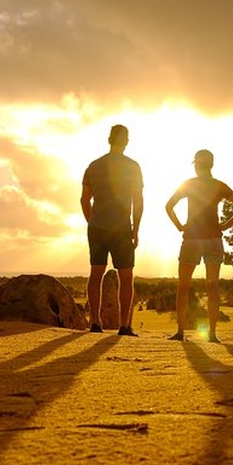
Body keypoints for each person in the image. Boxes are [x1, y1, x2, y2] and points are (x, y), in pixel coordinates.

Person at [165, 149, 233, 342]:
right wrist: (224, 226)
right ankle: (212, 334)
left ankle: (180, 332)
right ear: (211, 165)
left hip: (192, 239)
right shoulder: (219, 185)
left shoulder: (189, 184)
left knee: (183, 287)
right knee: (213, 287)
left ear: (196, 164)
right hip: (213, 240)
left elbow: (168, 206)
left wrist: (180, 226)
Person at [81, 124, 143, 336]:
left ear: (109, 139)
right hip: (121, 228)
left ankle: (95, 323)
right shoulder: (132, 166)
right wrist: (136, 230)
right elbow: (138, 200)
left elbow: (84, 200)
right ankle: (124, 325)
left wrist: (92, 221)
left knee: (95, 273)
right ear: (125, 140)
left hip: (97, 227)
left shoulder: (93, 166)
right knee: (126, 277)